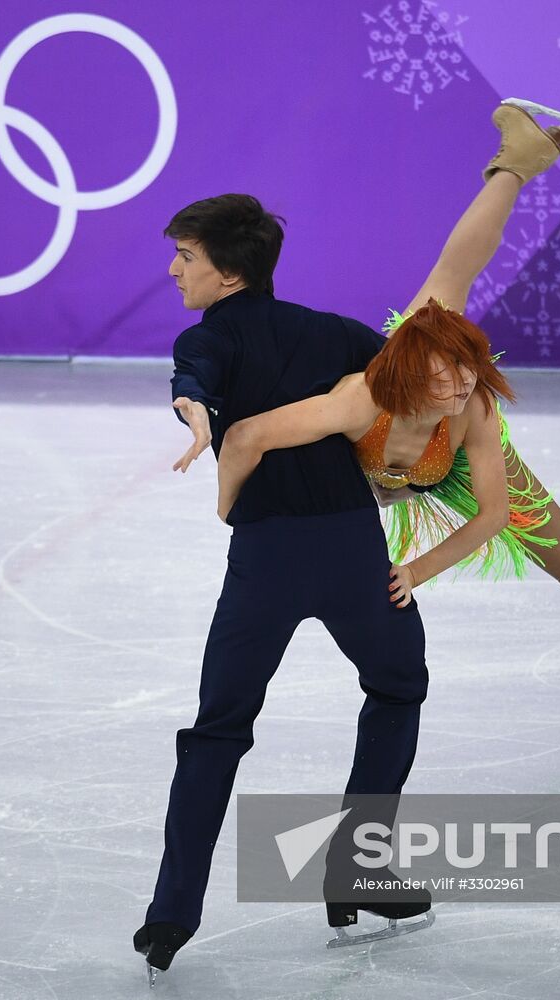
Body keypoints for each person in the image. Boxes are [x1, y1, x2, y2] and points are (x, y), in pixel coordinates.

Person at [213, 101, 560, 796]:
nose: (465, 383)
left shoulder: (471, 404)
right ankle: (519, 162)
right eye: (449, 372)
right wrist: (229, 508)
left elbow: (494, 513)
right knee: (437, 298)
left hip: (445, 470)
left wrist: (419, 569)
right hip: (369, 457)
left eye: (470, 371)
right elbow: (251, 435)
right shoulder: (362, 397)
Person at [134, 194, 432, 981]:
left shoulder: (205, 337)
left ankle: (169, 915)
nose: (173, 270)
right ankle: (358, 868)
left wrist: (199, 417)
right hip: (347, 551)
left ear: (228, 273)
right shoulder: (331, 331)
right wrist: (409, 463)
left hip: (263, 559)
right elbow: (419, 374)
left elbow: (195, 376)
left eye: (186, 258)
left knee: (218, 729)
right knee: (399, 685)